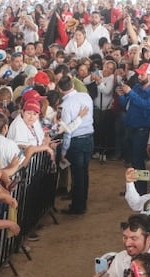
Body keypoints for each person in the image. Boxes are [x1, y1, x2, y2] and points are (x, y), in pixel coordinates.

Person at [58, 75, 94, 215]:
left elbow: (67, 131)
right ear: (72, 85)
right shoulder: (86, 96)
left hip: (76, 141)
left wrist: (64, 151)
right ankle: (82, 201)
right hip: (89, 137)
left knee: (77, 174)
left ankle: (78, 206)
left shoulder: (65, 105)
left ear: (60, 89)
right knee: (84, 172)